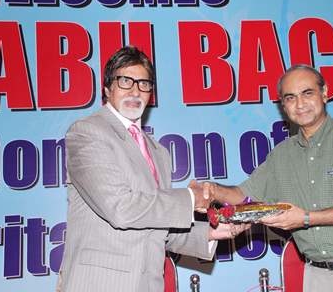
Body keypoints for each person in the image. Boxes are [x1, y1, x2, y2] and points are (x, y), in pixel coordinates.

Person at [194, 64, 333, 292]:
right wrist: (212, 190)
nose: (300, 104)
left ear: (324, 93)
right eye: (290, 97)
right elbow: (242, 195)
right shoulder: (281, 155)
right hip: (317, 277)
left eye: (307, 93)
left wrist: (306, 218)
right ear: (283, 106)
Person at [57, 46, 248, 292]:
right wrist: (192, 198)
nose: (136, 90)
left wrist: (211, 232)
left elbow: (157, 227)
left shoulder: (158, 153)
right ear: (107, 89)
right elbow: (121, 208)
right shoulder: (87, 132)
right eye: (126, 81)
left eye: (144, 84)